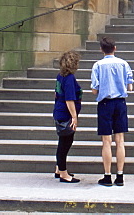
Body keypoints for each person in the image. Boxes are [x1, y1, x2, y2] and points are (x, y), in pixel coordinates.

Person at [89, 36, 133, 187]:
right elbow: (130, 86)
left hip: (105, 103)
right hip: (120, 102)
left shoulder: (97, 65)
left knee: (106, 141)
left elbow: (95, 90)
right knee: (120, 140)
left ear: (101, 49)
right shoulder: (123, 64)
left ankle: (107, 176)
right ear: (115, 48)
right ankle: (120, 175)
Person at [53, 50, 82, 183]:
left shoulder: (60, 76)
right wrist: (74, 117)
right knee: (66, 143)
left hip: (59, 111)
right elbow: (69, 99)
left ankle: (59, 169)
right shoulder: (69, 78)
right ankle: (64, 174)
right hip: (65, 114)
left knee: (62, 141)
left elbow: (56, 94)